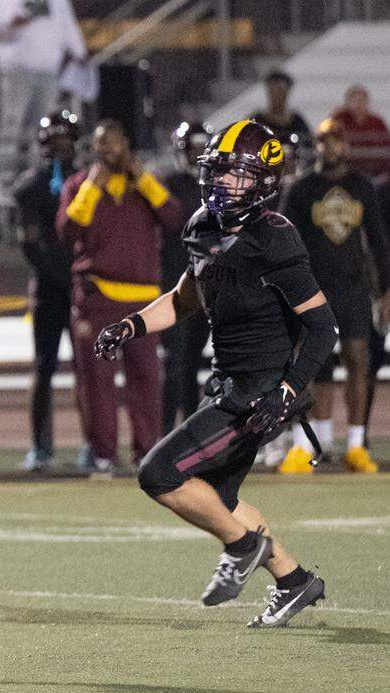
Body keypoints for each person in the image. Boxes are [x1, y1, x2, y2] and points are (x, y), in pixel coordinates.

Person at [96, 120, 334, 628]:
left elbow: (322, 327)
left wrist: (288, 391)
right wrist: (133, 324)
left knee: (159, 474)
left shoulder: (274, 239)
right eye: (220, 170)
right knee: (218, 498)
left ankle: (245, 546)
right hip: (229, 382)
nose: (224, 182)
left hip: (258, 393)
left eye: (238, 174)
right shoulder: (204, 225)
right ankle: (293, 580)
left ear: (265, 181)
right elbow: (187, 296)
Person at [56, 120, 181, 473]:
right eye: (102, 144)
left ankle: (147, 453)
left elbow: (174, 218)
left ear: (127, 143)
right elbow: (67, 231)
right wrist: (91, 189)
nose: (109, 149)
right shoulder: (79, 184)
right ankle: (103, 454)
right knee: (97, 380)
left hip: (143, 299)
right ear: (93, 149)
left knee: (146, 377)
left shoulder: (145, 182)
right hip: (96, 296)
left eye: (114, 142)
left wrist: (142, 178)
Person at [278, 119, 390, 473]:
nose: (330, 146)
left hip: (353, 289)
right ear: (317, 144)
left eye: (336, 140)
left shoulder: (362, 187)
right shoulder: (300, 188)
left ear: (346, 145)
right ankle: (311, 444)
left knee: (358, 359)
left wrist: (386, 291)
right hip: (311, 289)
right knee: (310, 365)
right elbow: (281, 240)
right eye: (324, 140)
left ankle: (356, 444)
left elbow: (379, 243)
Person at [13, 110, 79, 470]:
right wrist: (62, 277)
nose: (61, 146)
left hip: (79, 286)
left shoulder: (86, 180)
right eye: (55, 140)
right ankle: (40, 447)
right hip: (51, 288)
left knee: (88, 369)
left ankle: (95, 446)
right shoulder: (31, 186)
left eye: (65, 139)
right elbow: (30, 246)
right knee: (44, 367)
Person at [0, 0, 86, 207]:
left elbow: (66, 21)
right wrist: (11, 20)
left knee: (45, 130)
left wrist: (79, 51)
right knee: (12, 126)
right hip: (16, 67)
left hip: (49, 68)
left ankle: (41, 179)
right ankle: (4, 184)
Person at [160, 120, 212, 433]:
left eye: (201, 150)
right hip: (176, 286)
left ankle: (189, 436)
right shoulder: (169, 185)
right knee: (175, 365)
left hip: (208, 287)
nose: (196, 156)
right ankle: (165, 435)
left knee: (192, 365)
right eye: (192, 150)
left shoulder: (217, 186)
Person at [330, 84, 390, 180]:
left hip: (374, 169)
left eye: (362, 101)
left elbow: (385, 144)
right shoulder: (340, 119)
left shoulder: (376, 121)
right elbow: (329, 138)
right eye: (355, 101)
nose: (359, 105)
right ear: (347, 102)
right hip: (347, 168)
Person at [252, 69, 311, 146]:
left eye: (280, 91)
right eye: (272, 91)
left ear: (286, 93)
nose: (276, 96)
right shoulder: (257, 122)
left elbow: (308, 146)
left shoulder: (298, 122)